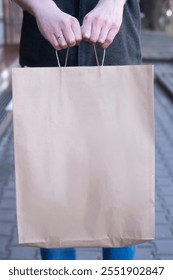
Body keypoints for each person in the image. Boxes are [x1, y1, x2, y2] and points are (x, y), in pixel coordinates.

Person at [13, 0, 142, 260]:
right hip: (47, 59)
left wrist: (113, 3)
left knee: (120, 196)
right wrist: (41, 8)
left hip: (117, 55)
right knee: (52, 195)